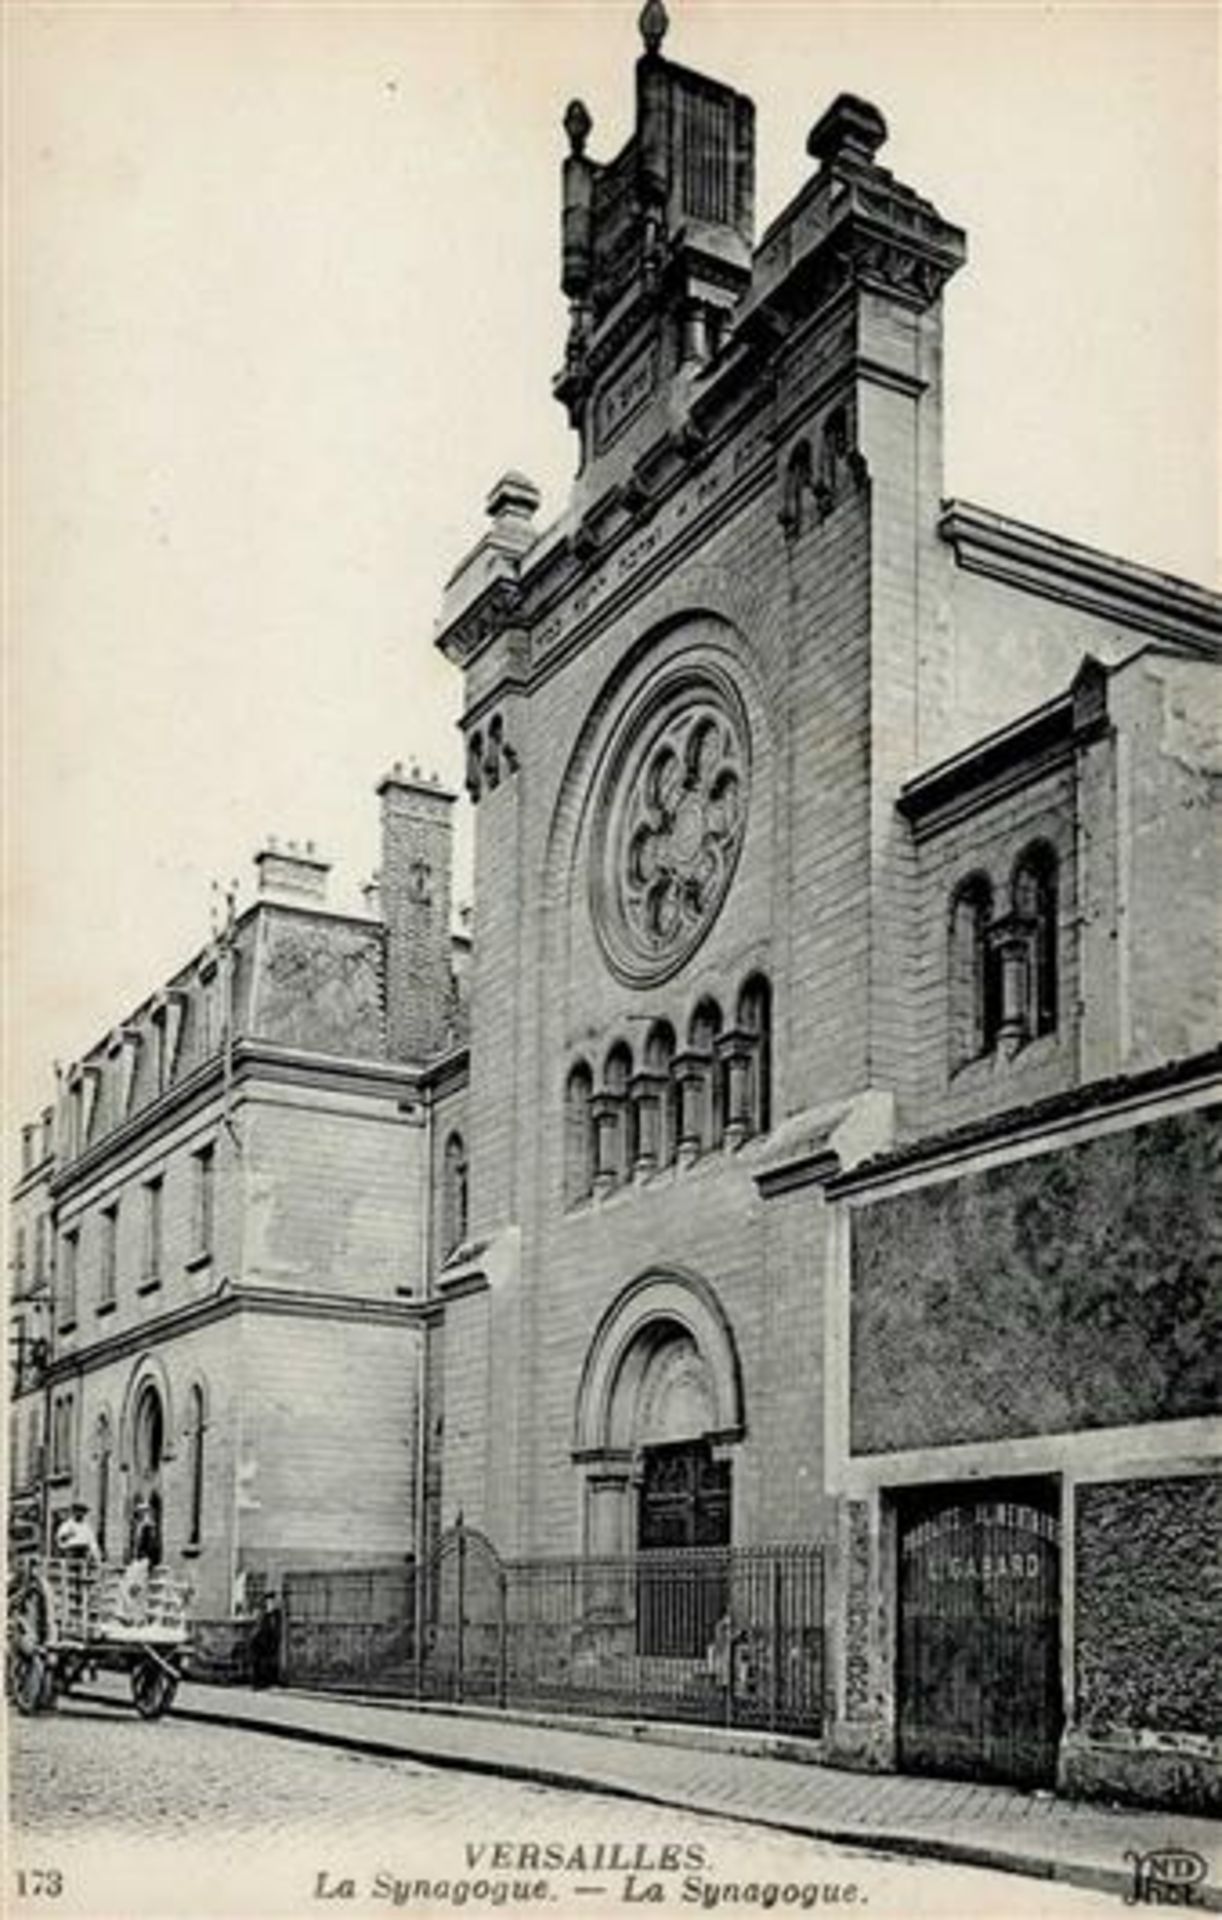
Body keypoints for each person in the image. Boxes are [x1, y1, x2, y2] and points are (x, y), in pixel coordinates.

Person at [249, 1591, 283, 1689]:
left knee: (267, 1662)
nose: (269, 1603)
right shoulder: (264, 1613)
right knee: (258, 1663)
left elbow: (275, 1628)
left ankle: (266, 1681)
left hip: (268, 1641)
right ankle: (258, 1682)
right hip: (260, 1641)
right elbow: (258, 1625)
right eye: (268, 1601)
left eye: (271, 1601)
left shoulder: (276, 1614)